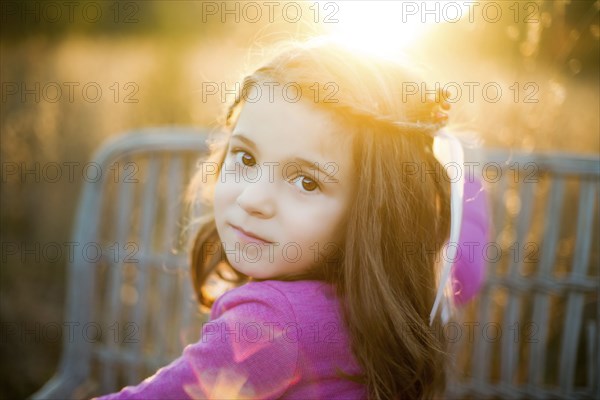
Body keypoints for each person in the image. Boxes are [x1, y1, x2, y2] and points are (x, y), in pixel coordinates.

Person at [94, 39, 489, 400]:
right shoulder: (414, 285)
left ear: (371, 214)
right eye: (246, 158)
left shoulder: (268, 325)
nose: (253, 200)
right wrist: (462, 170)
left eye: (305, 181)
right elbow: (467, 254)